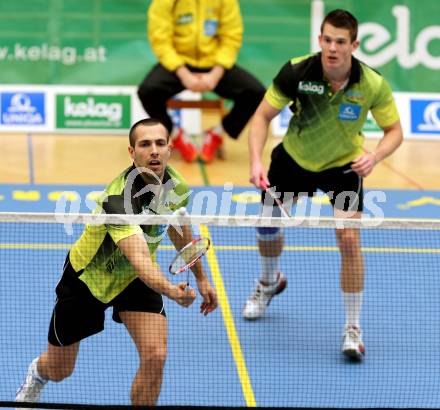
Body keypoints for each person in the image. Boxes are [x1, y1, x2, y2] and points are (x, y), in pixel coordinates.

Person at [15, 118, 218, 406]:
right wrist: (171, 290)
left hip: (135, 281)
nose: (154, 151)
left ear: (170, 149)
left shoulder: (176, 185)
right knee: (60, 370)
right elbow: (138, 259)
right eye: (145, 144)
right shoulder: (117, 199)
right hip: (88, 281)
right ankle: (38, 373)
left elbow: (179, 230)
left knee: (156, 356)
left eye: (160, 143)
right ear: (132, 152)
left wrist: (201, 276)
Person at [242, 9, 403, 361]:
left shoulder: (371, 84)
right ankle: (270, 282)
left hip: (342, 166)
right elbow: (262, 116)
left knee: (348, 239)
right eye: (327, 39)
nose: (332, 47)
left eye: (340, 42)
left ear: (354, 45)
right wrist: (255, 160)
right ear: (319, 40)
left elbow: (395, 132)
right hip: (294, 160)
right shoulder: (298, 71)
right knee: (267, 226)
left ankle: (352, 327)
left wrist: (375, 157)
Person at [138, 0, 265, 163]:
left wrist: (216, 74)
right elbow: (160, 39)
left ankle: (216, 134)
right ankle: (175, 135)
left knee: (255, 92)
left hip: (215, 64)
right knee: (148, 91)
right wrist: (183, 74)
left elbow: (231, 37)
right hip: (178, 64)